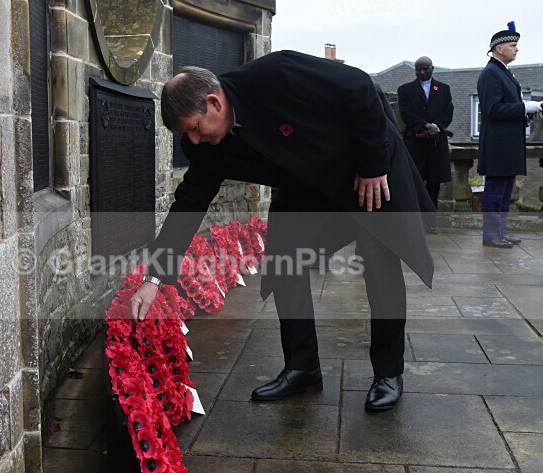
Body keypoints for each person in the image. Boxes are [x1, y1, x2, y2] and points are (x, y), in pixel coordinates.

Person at [129, 51, 434, 411]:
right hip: (310, 186)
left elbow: (360, 87)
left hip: (367, 172)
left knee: (379, 262)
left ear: (214, 102)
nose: (193, 141)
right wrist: (154, 278)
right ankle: (302, 368)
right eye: (187, 134)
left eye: (195, 128)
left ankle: (388, 373)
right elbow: (188, 204)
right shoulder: (208, 146)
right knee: (283, 264)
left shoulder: (278, 73)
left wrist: (372, 164)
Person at [477, 22, 542, 248]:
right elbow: (492, 109)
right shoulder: (491, 73)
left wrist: (527, 114)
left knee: (505, 191)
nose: (517, 49)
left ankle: (500, 232)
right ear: (499, 48)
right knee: (496, 190)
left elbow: (506, 108)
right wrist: (524, 107)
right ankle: (491, 235)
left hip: (508, 142)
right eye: (513, 45)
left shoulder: (502, 72)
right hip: (498, 144)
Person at [398, 56, 454, 234]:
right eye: (418, 69)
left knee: (433, 184)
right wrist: (424, 125)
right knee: (414, 184)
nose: (421, 72)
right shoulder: (405, 89)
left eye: (425, 69)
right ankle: (413, 223)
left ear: (432, 69)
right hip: (415, 143)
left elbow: (448, 112)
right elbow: (406, 113)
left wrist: (436, 126)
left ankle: (430, 223)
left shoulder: (444, 89)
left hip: (436, 144)